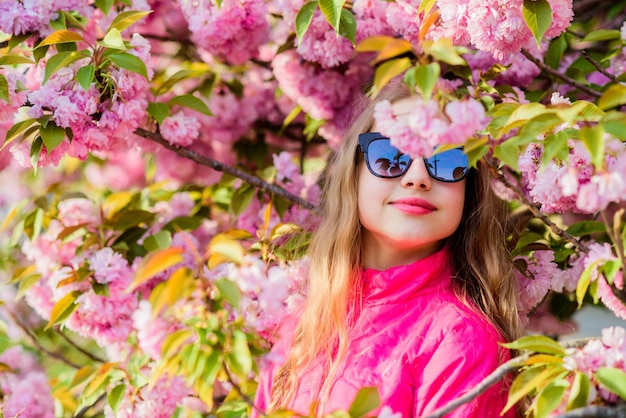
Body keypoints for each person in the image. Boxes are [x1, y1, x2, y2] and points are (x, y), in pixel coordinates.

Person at [253, 83, 522, 417]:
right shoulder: (303, 325)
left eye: (448, 159)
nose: (418, 177)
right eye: (391, 155)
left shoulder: (460, 338)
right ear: (354, 175)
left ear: (468, 193)